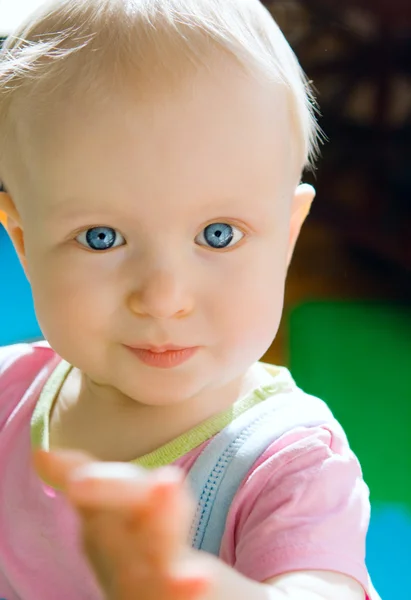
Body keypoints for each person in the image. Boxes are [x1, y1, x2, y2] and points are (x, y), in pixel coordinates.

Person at [0, 1, 381, 599]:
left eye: (218, 235)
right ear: (22, 244)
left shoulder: (288, 464)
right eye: (103, 239)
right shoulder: (9, 393)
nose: (163, 298)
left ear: (287, 236)